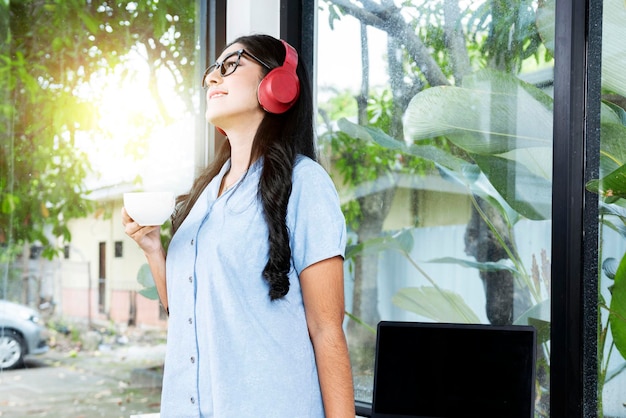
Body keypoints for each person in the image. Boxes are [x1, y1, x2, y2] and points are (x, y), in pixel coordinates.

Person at [122, 34, 355, 417]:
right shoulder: (202, 196)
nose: (214, 77)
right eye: (212, 69)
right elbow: (189, 312)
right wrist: (152, 247)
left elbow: (326, 328)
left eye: (231, 65)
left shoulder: (306, 184)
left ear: (279, 84)